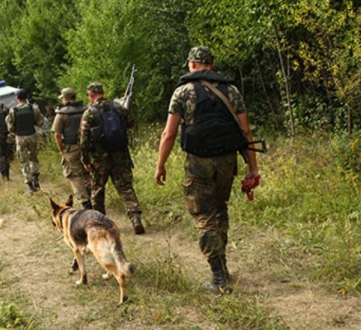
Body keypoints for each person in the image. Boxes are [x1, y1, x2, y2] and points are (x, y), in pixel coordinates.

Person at [154, 45, 260, 294]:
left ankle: (218, 279)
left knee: (204, 215)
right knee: (220, 209)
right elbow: (246, 132)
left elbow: (169, 133)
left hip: (198, 160)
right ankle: (223, 268)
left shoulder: (182, 92)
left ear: (191, 64)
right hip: (227, 160)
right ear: (211, 64)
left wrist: (161, 165)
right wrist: (252, 168)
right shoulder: (231, 90)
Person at [80, 82, 145, 234]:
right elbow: (131, 124)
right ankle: (135, 217)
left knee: (98, 190)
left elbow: (83, 139)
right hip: (120, 155)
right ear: (103, 92)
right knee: (125, 188)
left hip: (99, 158)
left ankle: (100, 224)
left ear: (90, 95)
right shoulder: (118, 107)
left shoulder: (89, 113)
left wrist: (85, 159)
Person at [52, 87, 91, 209]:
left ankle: (86, 203)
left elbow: (57, 134)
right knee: (88, 173)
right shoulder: (87, 109)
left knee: (75, 176)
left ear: (65, 98)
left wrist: (61, 149)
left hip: (71, 148)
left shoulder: (62, 114)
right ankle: (92, 197)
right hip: (88, 146)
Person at [6, 89, 44, 193]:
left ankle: (30, 185)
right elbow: (40, 122)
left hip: (20, 137)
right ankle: (35, 178)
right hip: (32, 135)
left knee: (24, 161)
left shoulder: (13, 110)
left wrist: (15, 132)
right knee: (33, 158)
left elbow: (10, 127)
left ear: (17, 98)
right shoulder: (33, 108)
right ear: (26, 97)